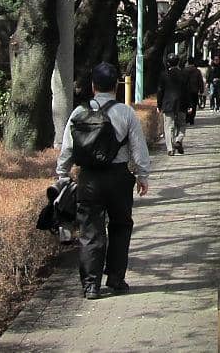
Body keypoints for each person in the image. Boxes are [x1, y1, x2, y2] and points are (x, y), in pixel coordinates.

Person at [56, 62, 151, 300]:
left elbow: (68, 147)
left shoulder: (79, 112)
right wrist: (142, 175)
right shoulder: (125, 112)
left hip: (88, 178)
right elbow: (138, 148)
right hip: (119, 177)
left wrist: (62, 173)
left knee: (90, 231)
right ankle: (116, 279)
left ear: (93, 85)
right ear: (117, 86)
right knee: (121, 226)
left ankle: (91, 285)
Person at [156, 55, 190, 155]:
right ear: (178, 62)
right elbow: (187, 91)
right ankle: (178, 140)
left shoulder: (164, 75)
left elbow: (160, 91)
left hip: (168, 104)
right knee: (182, 125)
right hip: (182, 104)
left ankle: (170, 149)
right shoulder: (184, 74)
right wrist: (190, 105)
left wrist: (159, 104)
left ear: (168, 63)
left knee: (168, 126)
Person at [185, 59, 205, 125]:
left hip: (186, 91)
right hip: (194, 91)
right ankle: (192, 119)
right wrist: (201, 90)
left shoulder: (184, 71)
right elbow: (200, 81)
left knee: (186, 104)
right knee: (194, 105)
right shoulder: (197, 71)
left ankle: (187, 118)